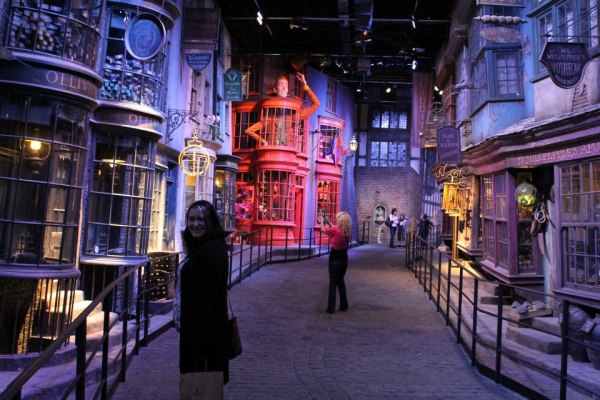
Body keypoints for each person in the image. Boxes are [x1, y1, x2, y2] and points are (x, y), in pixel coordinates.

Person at [177, 200, 230, 390]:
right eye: (191, 219)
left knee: (200, 388)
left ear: (211, 222)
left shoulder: (212, 250)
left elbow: (209, 299)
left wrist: (203, 345)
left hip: (203, 337)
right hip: (196, 332)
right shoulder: (201, 247)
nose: (195, 224)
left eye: (201, 219)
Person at [246, 72, 320, 146]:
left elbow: (316, 104)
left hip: (287, 149)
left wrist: (304, 84)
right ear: (275, 90)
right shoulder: (270, 115)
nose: (284, 88)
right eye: (281, 85)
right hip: (272, 149)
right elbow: (249, 131)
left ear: (287, 90)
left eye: (286, 85)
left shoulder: (293, 115)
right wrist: (263, 141)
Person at [319, 211, 352, 314]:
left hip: (334, 257)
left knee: (333, 282)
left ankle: (331, 308)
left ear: (340, 220)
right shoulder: (347, 232)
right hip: (344, 258)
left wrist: (321, 221)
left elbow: (323, 230)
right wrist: (329, 222)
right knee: (341, 281)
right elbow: (336, 228)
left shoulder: (335, 230)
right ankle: (344, 305)